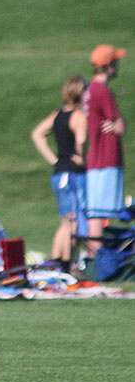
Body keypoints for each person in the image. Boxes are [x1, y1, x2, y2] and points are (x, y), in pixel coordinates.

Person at [30, 76, 88, 270]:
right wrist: (83, 157)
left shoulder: (58, 114)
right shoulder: (79, 116)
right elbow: (81, 141)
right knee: (74, 221)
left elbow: (37, 134)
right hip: (73, 174)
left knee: (66, 220)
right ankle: (66, 263)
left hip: (58, 174)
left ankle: (54, 260)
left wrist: (53, 160)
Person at [83, 44, 127, 256]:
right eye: (115, 62)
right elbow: (119, 126)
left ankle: (96, 256)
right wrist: (121, 124)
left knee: (96, 211)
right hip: (106, 157)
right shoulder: (102, 91)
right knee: (99, 213)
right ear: (108, 66)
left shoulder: (90, 90)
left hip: (95, 158)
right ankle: (98, 259)